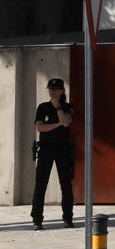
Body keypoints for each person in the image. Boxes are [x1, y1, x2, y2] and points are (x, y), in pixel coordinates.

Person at [30, 78, 75, 231]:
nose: (52, 92)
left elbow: (67, 122)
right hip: (45, 149)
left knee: (66, 184)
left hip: (62, 149)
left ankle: (68, 218)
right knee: (40, 185)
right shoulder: (42, 107)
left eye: (56, 89)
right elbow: (40, 128)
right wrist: (57, 125)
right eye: (50, 89)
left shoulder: (67, 107)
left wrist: (58, 109)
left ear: (62, 91)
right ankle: (37, 218)